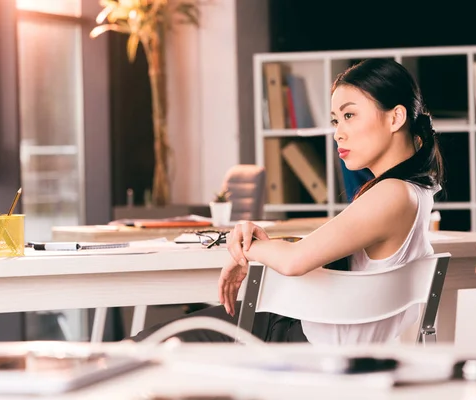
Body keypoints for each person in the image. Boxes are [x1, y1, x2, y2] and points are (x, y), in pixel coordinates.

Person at [128, 58, 444, 345]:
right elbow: (308, 252)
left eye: (349, 115)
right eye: (335, 120)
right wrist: (265, 247)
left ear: (395, 118)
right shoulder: (415, 192)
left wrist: (245, 247)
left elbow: (294, 261)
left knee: (142, 347)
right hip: (302, 331)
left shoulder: (392, 194)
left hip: (296, 342)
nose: (338, 133)